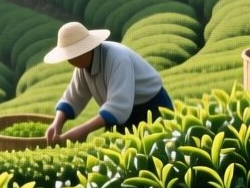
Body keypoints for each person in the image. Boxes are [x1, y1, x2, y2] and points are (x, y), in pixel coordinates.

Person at [45, 21, 173, 144]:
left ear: (86, 49)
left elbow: (119, 105)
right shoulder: (83, 66)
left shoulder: (118, 58)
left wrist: (84, 130)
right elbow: (74, 97)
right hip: (120, 117)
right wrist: (57, 123)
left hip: (151, 109)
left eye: (73, 55)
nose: (71, 61)